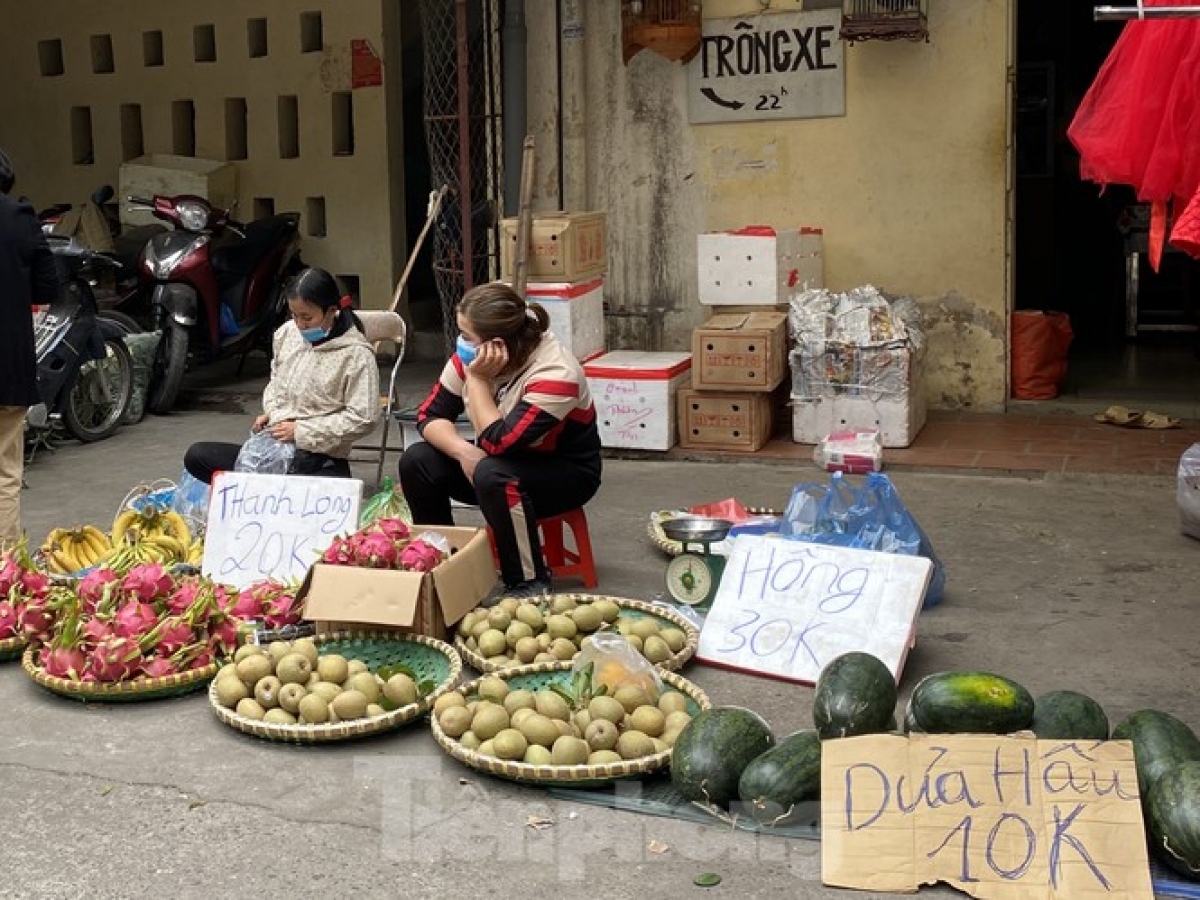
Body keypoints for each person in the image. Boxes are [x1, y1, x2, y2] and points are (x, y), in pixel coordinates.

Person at [399, 281, 602, 600]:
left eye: (467, 336)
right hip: (492, 466)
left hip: (564, 475)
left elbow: (499, 443)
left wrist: (478, 380)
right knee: (417, 460)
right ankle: (440, 561)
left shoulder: (556, 374)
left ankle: (528, 582)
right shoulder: (471, 356)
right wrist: (464, 451)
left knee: (493, 473)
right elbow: (429, 415)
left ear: (495, 344)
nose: (460, 343)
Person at [183, 267, 379, 483]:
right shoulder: (287, 334)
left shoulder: (356, 354)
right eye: (294, 315)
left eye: (307, 317)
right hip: (275, 446)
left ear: (332, 311)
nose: (300, 325)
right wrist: (274, 414)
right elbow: (276, 384)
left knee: (296, 490)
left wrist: (301, 431)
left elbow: (363, 418)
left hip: (320, 457)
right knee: (198, 457)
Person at [0, 148, 60, 548]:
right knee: (5, 472)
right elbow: (47, 288)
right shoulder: (20, 218)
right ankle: (4, 567)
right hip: (7, 364)